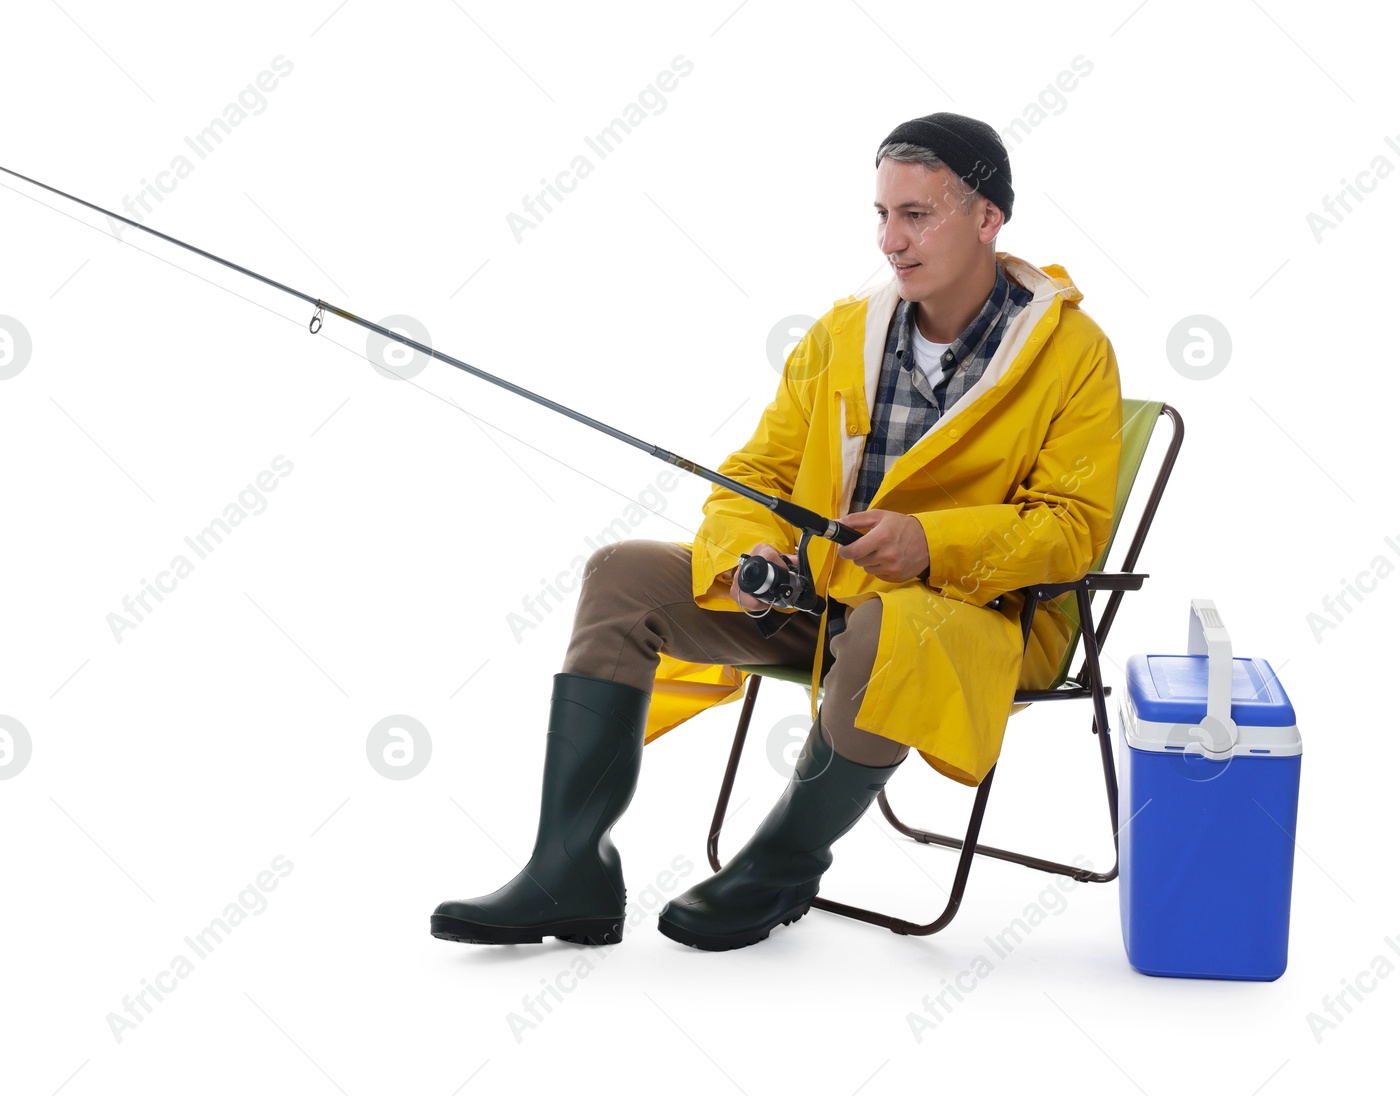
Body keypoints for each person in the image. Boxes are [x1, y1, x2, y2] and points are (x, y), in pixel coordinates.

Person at [431, 112, 1122, 951]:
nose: (891, 241)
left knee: (887, 623)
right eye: (881, 214)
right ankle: (568, 870)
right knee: (621, 573)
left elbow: (1072, 527)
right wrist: (750, 548)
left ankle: (783, 866)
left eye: (917, 215)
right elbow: (755, 474)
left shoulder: (1073, 352)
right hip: (818, 597)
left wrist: (933, 544)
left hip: (973, 619)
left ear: (987, 219)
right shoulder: (843, 333)